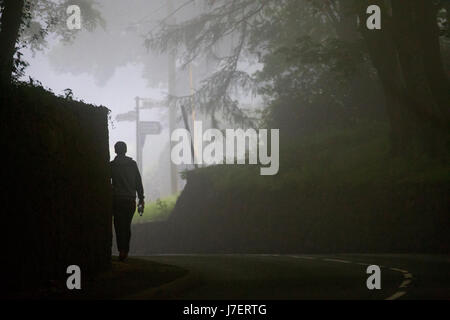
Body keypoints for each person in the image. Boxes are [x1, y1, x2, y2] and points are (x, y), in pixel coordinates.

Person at [110, 141, 145, 261]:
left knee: (118, 226)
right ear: (125, 150)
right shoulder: (133, 164)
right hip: (130, 200)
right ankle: (126, 250)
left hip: (117, 200)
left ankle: (122, 250)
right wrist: (141, 199)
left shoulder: (112, 165)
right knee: (126, 226)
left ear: (115, 150)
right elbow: (138, 183)